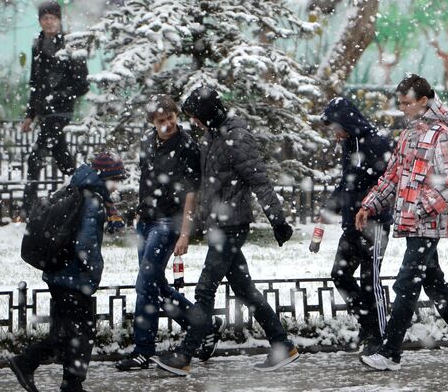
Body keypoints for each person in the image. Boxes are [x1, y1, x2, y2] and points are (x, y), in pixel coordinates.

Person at [153, 86, 298, 376]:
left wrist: (277, 220)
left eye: (195, 116)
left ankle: (184, 354)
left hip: (232, 226)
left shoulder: (237, 138)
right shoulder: (211, 136)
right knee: (245, 289)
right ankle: (283, 345)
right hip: (219, 225)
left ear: (207, 114)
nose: (192, 122)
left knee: (205, 289)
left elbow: (259, 180)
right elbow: (209, 183)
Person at [356, 75, 448, 371]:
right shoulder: (409, 134)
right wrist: (369, 204)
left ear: (423, 101)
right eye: (400, 103)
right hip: (411, 223)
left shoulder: (441, 135)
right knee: (435, 285)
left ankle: (390, 353)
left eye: (407, 103)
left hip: (427, 225)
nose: (402, 108)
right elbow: (392, 176)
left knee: (406, 284)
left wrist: (418, 209)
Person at [9, 153, 126, 392]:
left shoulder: (73, 189)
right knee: (80, 333)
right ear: (104, 177)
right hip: (74, 277)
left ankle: (68, 382)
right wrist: (93, 274)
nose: (117, 185)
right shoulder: (92, 201)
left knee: (67, 332)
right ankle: (29, 363)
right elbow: (85, 245)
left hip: (57, 273)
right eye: (115, 179)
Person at [115, 93, 213, 371]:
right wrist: (138, 212)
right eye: (161, 120)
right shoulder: (148, 141)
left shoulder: (187, 146)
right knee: (154, 284)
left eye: (170, 118)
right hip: (147, 219)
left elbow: (192, 193)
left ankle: (143, 351)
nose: (167, 124)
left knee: (144, 284)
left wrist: (184, 233)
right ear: (152, 122)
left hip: (170, 221)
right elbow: (147, 182)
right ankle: (202, 325)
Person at [320, 97, 394, 354]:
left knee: (369, 280)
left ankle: (381, 338)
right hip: (352, 225)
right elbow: (346, 183)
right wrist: (329, 208)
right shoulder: (350, 144)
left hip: (375, 225)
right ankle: (367, 325)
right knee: (340, 275)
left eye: (335, 128)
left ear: (347, 122)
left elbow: (388, 183)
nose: (335, 135)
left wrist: (369, 207)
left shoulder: (376, 144)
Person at [22, 1, 89, 216]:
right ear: (40, 21)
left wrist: (58, 95)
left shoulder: (72, 45)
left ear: (59, 20)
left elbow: (82, 85)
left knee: (36, 157)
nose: (48, 22)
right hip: (45, 111)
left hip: (61, 111)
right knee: (62, 158)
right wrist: (30, 114)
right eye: (44, 18)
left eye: (52, 18)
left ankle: (28, 208)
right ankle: (83, 195)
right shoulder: (38, 45)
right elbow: (35, 82)